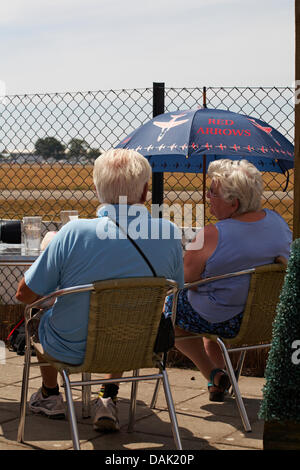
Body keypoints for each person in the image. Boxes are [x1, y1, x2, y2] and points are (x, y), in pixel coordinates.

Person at [16, 148, 184, 432]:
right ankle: (107, 395)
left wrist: (49, 253)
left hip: (69, 348)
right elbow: (176, 288)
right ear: (145, 192)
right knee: (125, 315)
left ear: (97, 189)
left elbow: (25, 295)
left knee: (38, 318)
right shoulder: (167, 232)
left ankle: (50, 394)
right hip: (137, 346)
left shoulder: (74, 232)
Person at [165, 159, 292, 402]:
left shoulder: (212, 234)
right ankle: (220, 380)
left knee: (171, 312)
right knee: (211, 298)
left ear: (234, 203)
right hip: (262, 319)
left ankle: (213, 373)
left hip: (223, 319)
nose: (207, 196)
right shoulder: (277, 222)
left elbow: (181, 279)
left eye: (213, 192)